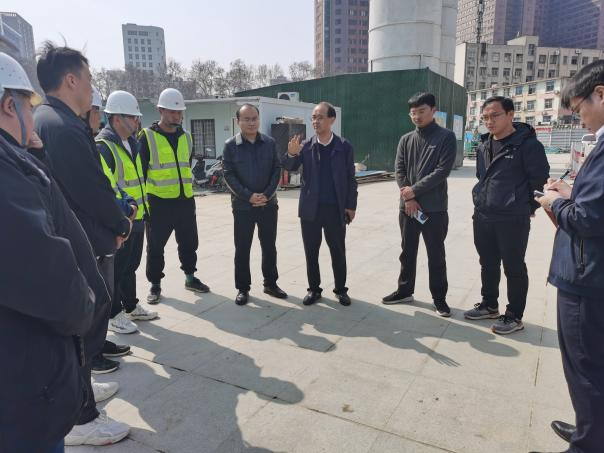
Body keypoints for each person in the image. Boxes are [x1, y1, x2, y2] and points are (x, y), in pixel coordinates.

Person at [0, 51, 98, 453]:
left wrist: (32, 158)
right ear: (9, 105)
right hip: (23, 390)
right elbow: (50, 280)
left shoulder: (16, 162)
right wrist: (85, 305)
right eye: (28, 105)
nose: (33, 114)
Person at [33, 42, 130, 446]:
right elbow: (91, 189)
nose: (92, 87)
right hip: (82, 242)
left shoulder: (48, 119)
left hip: (78, 238)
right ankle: (81, 418)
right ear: (70, 80)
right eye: (88, 79)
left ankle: (83, 392)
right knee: (84, 329)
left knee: (87, 329)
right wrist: (120, 222)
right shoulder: (63, 127)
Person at [532, 61, 604, 453]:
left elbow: (588, 219)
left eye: (578, 109)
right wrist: (571, 194)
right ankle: (589, 429)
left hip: (587, 277)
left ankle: (587, 444)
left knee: (585, 366)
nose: (579, 118)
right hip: (590, 270)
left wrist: (554, 202)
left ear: (600, 94)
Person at [464, 96, 549, 335]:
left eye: (495, 115)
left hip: (512, 218)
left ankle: (514, 316)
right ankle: (489, 304)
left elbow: (539, 181)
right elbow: (482, 177)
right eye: (485, 117)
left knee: (514, 267)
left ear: (511, 114)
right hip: (483, 215)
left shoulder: (528, 146)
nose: (489, 121)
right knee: (487, 263)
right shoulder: (483, 145)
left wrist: (527, 208)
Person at [382, 92, 457, 317]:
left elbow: (442, 171)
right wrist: (409, 198)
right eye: (413, 113)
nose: (416, 116)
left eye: (421, 111)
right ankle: (404, 290)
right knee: (407, 251)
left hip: (434, 209)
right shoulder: (406, 139)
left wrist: (414, 190)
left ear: (433, 110)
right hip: (408, 208)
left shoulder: (446, 137)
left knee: (436, 255)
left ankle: (439, 299)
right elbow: (399, 170)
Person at [283, 102, 358, 307]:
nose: (315, 121)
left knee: (338, 251)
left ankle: (341, 290)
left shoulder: (344, 146)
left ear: (332, 119)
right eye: (313, 118)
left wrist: (351, 206)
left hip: (335, 209)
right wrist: (291, 154)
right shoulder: (306, 146)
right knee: (311, 252)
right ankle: (314, 289)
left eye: (320, 117)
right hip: (311, 210)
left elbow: (351, 179)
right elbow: (290, 168)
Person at [138, 87, 209, 303]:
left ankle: (190, 278)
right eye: (172, 112)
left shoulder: (186, 137)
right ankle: (155, 285)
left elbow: (185, 165)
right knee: (155, 247)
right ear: (160, 110)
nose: (177, 116)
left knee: (189, 242)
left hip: (185, 200)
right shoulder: (147, 137)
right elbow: (141, 172)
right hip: (159, 203)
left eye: (179, 112)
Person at [97, 90, 157, 333]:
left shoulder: (133, 143)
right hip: (120, 220)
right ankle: (113, 314)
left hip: (138, 216)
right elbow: (107, 189)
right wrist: (121, 216)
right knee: (116, 270)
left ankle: (130, 306)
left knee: (131, 266)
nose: (137, 121)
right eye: (132, 117)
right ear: (116, 118)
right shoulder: (103, 147)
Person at [222, 104, 286, 305]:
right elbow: (228, 175)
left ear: (259, 119)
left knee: (269, 246)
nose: (251, 123)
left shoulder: (269, 143)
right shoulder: (230, 146)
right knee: (242, 248)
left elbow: (277, 170)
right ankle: (243, 288)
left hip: (268, 205)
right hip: (243, 207)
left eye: (254, 118)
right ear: (238, 121)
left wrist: (267, 194)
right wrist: (249, 196)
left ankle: (271, 283)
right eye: (246, 119)